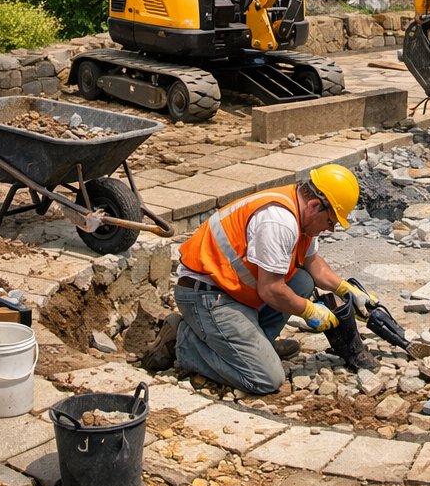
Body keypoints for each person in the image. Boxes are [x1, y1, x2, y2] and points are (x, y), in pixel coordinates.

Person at [140, 165, 380, 394]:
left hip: (230, 291)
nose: (330, 229)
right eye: (331, 221)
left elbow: (314, 264)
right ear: (316, 205)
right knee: (266, 378)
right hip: (206, 294)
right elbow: (271, 290)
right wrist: (310, 311)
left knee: (303, 282)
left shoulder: (301, 213)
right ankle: (184, 343)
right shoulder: (279, 222)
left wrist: (346, 290)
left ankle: (257, 345)